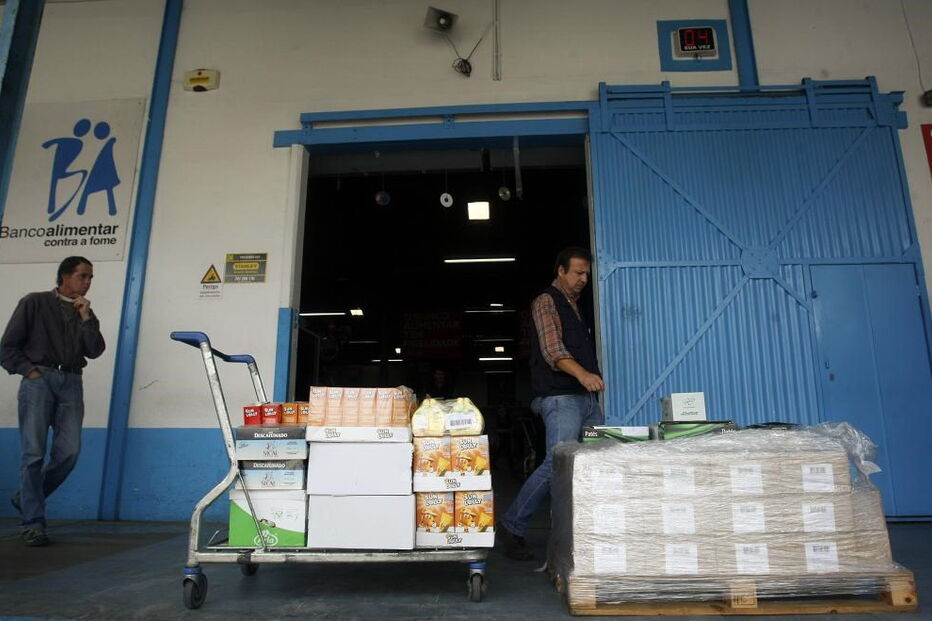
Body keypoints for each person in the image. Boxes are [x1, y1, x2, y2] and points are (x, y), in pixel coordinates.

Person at [496, 247, 604, 560]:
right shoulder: (546, 302)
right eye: (578, 273)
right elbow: (552, 351)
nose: (584, 279)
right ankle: (512, 525)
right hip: (561, 398)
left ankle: (586, 530)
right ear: (560, 271)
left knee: (597, 459)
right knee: (557, 462)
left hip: (585, 400)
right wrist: (584, 374)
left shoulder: (575, 306)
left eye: (587, 273)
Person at [1, 256, 105, 546]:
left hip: (72, 381)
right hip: (39, 380)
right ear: (65, 277)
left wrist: (86, 319)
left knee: (69, 454)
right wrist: (30, 372)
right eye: (83, 276)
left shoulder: (84, 311)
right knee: (33, 454)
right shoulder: (34, 302)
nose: (87, 282)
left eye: (90, 278)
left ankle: (26, 498)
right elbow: (7, 347)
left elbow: (95, 350)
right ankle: (33, 523)